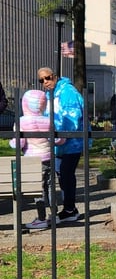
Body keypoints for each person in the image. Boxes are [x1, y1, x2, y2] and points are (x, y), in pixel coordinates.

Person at [8, 89, 66, 229]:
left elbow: (20, 143)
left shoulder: (21, 122)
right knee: (51, 187)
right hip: (48, 158)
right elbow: (59, 140)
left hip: (32, 161)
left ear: (25, 104)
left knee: (37, 190)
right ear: (43, 104)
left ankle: (41, 218)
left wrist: (11, 142)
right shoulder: (48, 121)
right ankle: (54, 215)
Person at [38, 67, 86, 223]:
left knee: (66, 174)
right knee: (61, 175)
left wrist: (61, 134)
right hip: (58, 144)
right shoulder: (50, 94)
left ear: (55, 76)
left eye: (48, 78)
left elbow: (72, 116)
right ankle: (69, 208)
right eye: (42, 80)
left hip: (72, 142)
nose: (45, 82)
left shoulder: (67, 91)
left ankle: (70, 209)